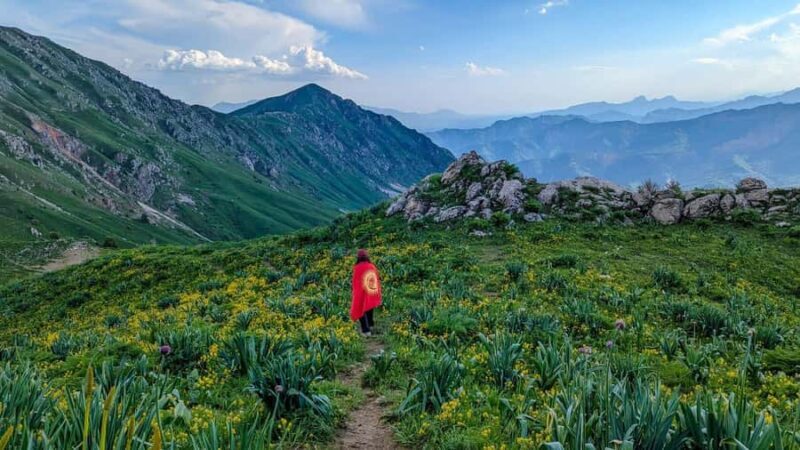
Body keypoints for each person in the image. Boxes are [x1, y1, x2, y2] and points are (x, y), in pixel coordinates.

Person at [350, 249, 382, 336]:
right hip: (370, 288)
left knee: (360, 308)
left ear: (358, 258)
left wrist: (355, 291)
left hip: (360, 290)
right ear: (367, 257)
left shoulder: (357, 268)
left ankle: (366, 330)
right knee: (369, 306)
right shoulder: (372, 266)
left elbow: (355, 281)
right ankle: (371, 325)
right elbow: (376, 278)